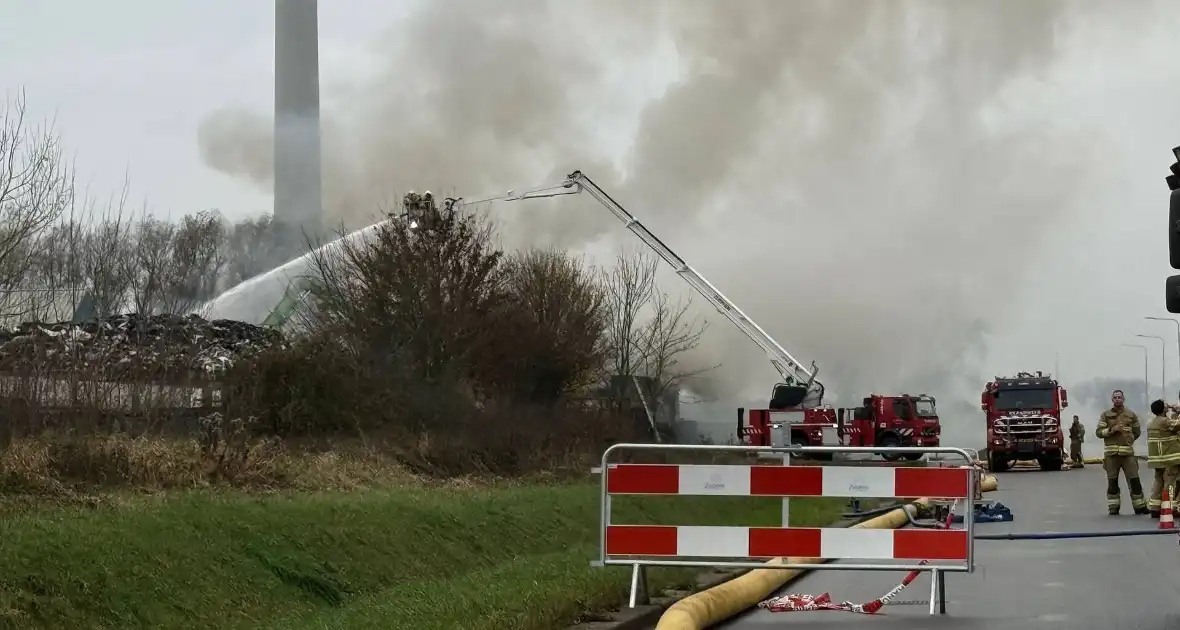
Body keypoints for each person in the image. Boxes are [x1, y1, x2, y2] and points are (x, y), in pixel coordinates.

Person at [1096, 389, 1148, 515]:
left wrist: (1128, 440)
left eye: (1119, 397)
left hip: (1128, 455)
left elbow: (1137, 431)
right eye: (1115, 397)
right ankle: (1113, 508)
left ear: (1123, 399)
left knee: (1134, 481)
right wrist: (1112, 430)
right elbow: (1099, 432)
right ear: (1112, 400)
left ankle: (1140, 507)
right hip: (1111, 456)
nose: (1117, 399)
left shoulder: (1131, 415)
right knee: (1112, 482)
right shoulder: (1105, 415)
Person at [1146, 399, 1180, 518]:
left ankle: (1155, 508)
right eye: (1166, 405)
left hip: (1157, 460)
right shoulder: (1165, 421)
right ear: (1162, 409)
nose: (1168, 406)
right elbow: (1178, 424)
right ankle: (1168, 507)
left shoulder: (1151, 423)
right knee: (1170, 483)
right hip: (1169, 459)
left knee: (1158, 482)